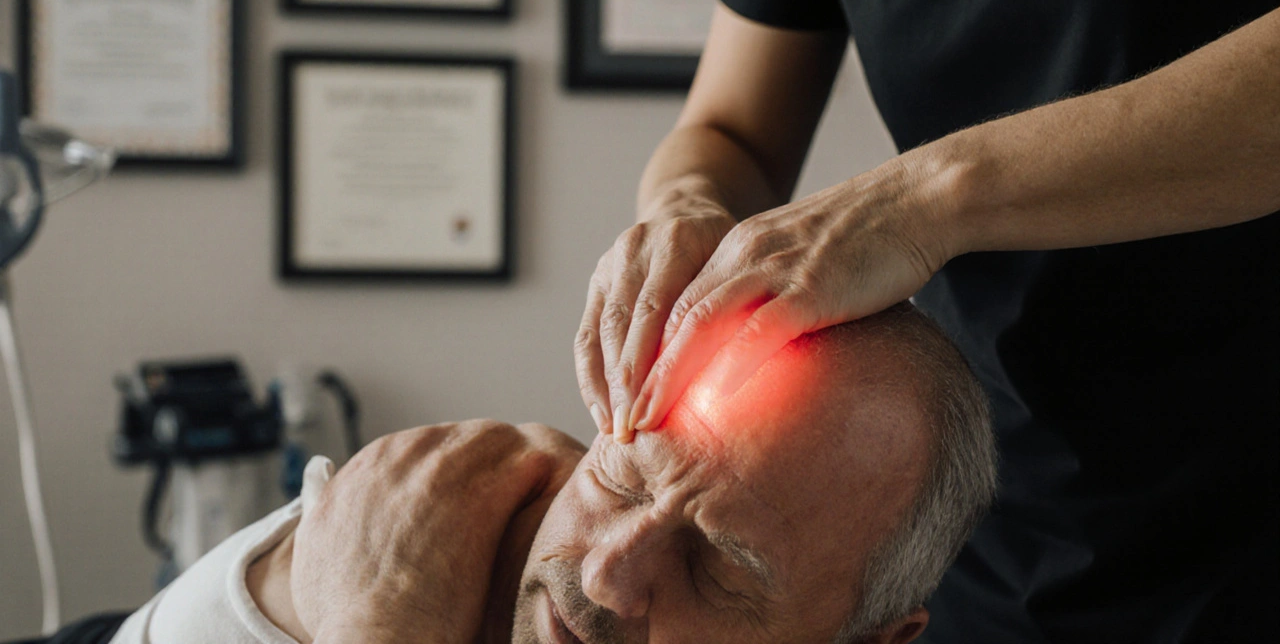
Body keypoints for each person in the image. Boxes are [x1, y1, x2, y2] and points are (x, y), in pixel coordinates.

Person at [574, 0, 1279, 641]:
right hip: (990, 506)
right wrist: (685, 206)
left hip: (1241, 497)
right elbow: (732, 132)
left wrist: (924, 203)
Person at [79, 305, 994, 644]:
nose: (602, 576)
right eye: (622, 482)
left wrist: (383, 627)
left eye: (719, 565)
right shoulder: (419, 517)